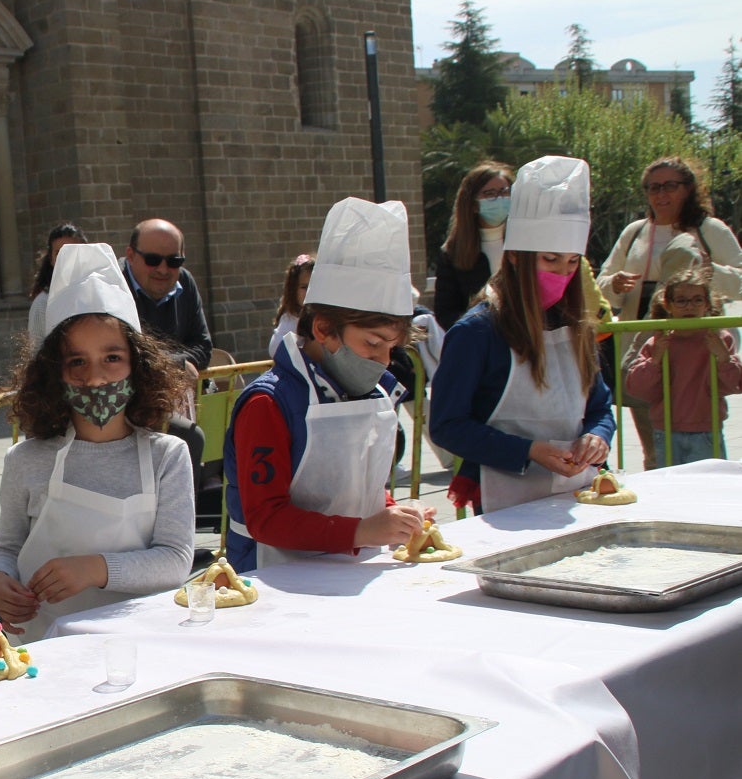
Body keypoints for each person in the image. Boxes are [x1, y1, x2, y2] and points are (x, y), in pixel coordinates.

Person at [0, 243, 194, 641]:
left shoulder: (167, 456)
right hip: (45, 645)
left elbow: (175, 559)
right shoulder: (24, 460)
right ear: (54, 374)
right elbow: (7, 547)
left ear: (138, 365)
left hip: (138, 642)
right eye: (77, 362)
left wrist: (95, 568)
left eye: (112, 358)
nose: (96, 378)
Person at [223, 198, 427, 571]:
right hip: (273, 576)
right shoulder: (267, 404)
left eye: (392, 348)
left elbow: (357, 488)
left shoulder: (372, 392)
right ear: (323, 329)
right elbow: (265, 517)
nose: (384, 362)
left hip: (351, 568)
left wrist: (394, 514)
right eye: (373, 344)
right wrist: (362, 531)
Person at [430, 156, 615, 515]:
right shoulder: (476, 332)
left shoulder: (575, 326)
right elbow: (448, 425)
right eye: (550, 260)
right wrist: (528, 451)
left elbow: (599, 406)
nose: (562, 273)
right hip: (502, 497)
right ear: (515, 257)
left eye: (572, 262)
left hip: (577, 492)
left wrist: (598, 436)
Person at [597, 156, 742, 468]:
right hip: (648, 349)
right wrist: (615, 284)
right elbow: (601, 287)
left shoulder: (710, 230)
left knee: (700, 451)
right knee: (655, 452)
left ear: (688, 189)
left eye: (669, 186)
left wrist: (709, 270)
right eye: (653, 187)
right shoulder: (635, 232)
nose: (660, 194)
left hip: (698, 358)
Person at [623, 245, 742, 466]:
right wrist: (655, 360)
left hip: (707, 430)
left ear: (707, 304)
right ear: (668, 305)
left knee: (707, 483)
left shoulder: (719, 339)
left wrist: (724, 358)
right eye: (682, 301)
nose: (690, 307)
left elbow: (735, 385)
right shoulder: (659, 340)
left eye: (697, 300)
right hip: (666, 430)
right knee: (671, 484)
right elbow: (637, 389)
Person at [122, 218, 214, 489]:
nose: (163, 269)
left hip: (171, 403)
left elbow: (203, 346)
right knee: (188, 438)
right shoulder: (112, 286)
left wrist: (175, 362)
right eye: (152, 260)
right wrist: (176, 363)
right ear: (131, 255)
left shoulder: (185, 282)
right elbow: (121, 353)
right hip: (121, 405)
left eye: (174, 261)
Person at [433, 162, 514, 331]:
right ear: (473, 204)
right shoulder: (452, 254)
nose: (499, 198)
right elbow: (446, 312)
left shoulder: (525, 243)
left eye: (504, 192)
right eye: (490, 194)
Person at [27, 222, 88, 348]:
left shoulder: (101, 294)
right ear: (51, 259)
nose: (66, 259)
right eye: (59, 253)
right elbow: (36, 352)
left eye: (72, 252)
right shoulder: (43, 304)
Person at [268, 253, 315, 358]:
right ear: (293, 290)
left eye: (315, 286)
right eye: (304, 287)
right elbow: (275, 350)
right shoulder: (290, 320)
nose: (310, 291)